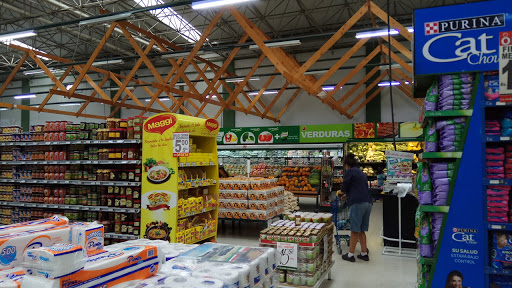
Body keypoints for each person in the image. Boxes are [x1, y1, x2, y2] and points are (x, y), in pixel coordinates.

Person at [340, 153, 373, 262]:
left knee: (354, 230)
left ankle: (350, 255)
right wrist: (348, 195)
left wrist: (341, 193)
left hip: (357, 203)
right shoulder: (361, 173)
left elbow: (344, 187)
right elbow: (358, 187)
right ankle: (364, 253)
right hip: (367, 202)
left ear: (347, 165)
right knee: (361, 230)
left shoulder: (350, 172)